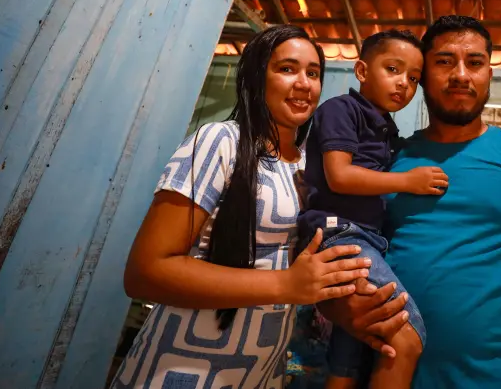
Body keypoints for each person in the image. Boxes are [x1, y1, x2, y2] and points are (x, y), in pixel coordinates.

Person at [319, 15, 501, 389]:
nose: (461, 75)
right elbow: (334, 249)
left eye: (475, 63)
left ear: (489, 74)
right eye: (445, 61)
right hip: (381, 375)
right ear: (423, 76)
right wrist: (335, 306)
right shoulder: (384, 162)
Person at [109, 25, 372, 389]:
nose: (304, 83)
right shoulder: (221, 141)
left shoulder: (311, 164)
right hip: (183, 370)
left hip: (262, 372)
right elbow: (145, 272)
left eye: (313, 73)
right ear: (255, 77)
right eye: (287, 69)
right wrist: (285, 284)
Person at [298, 29, 447, 389]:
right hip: (340, 232)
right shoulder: (341, 109)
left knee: (352, 350)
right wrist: (407, 181)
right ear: (362, 71)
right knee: (405, 334)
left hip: (364, 237)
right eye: (393, 69)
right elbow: (340, 176)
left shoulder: (386, 129)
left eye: (413, 79)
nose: (404, 84)